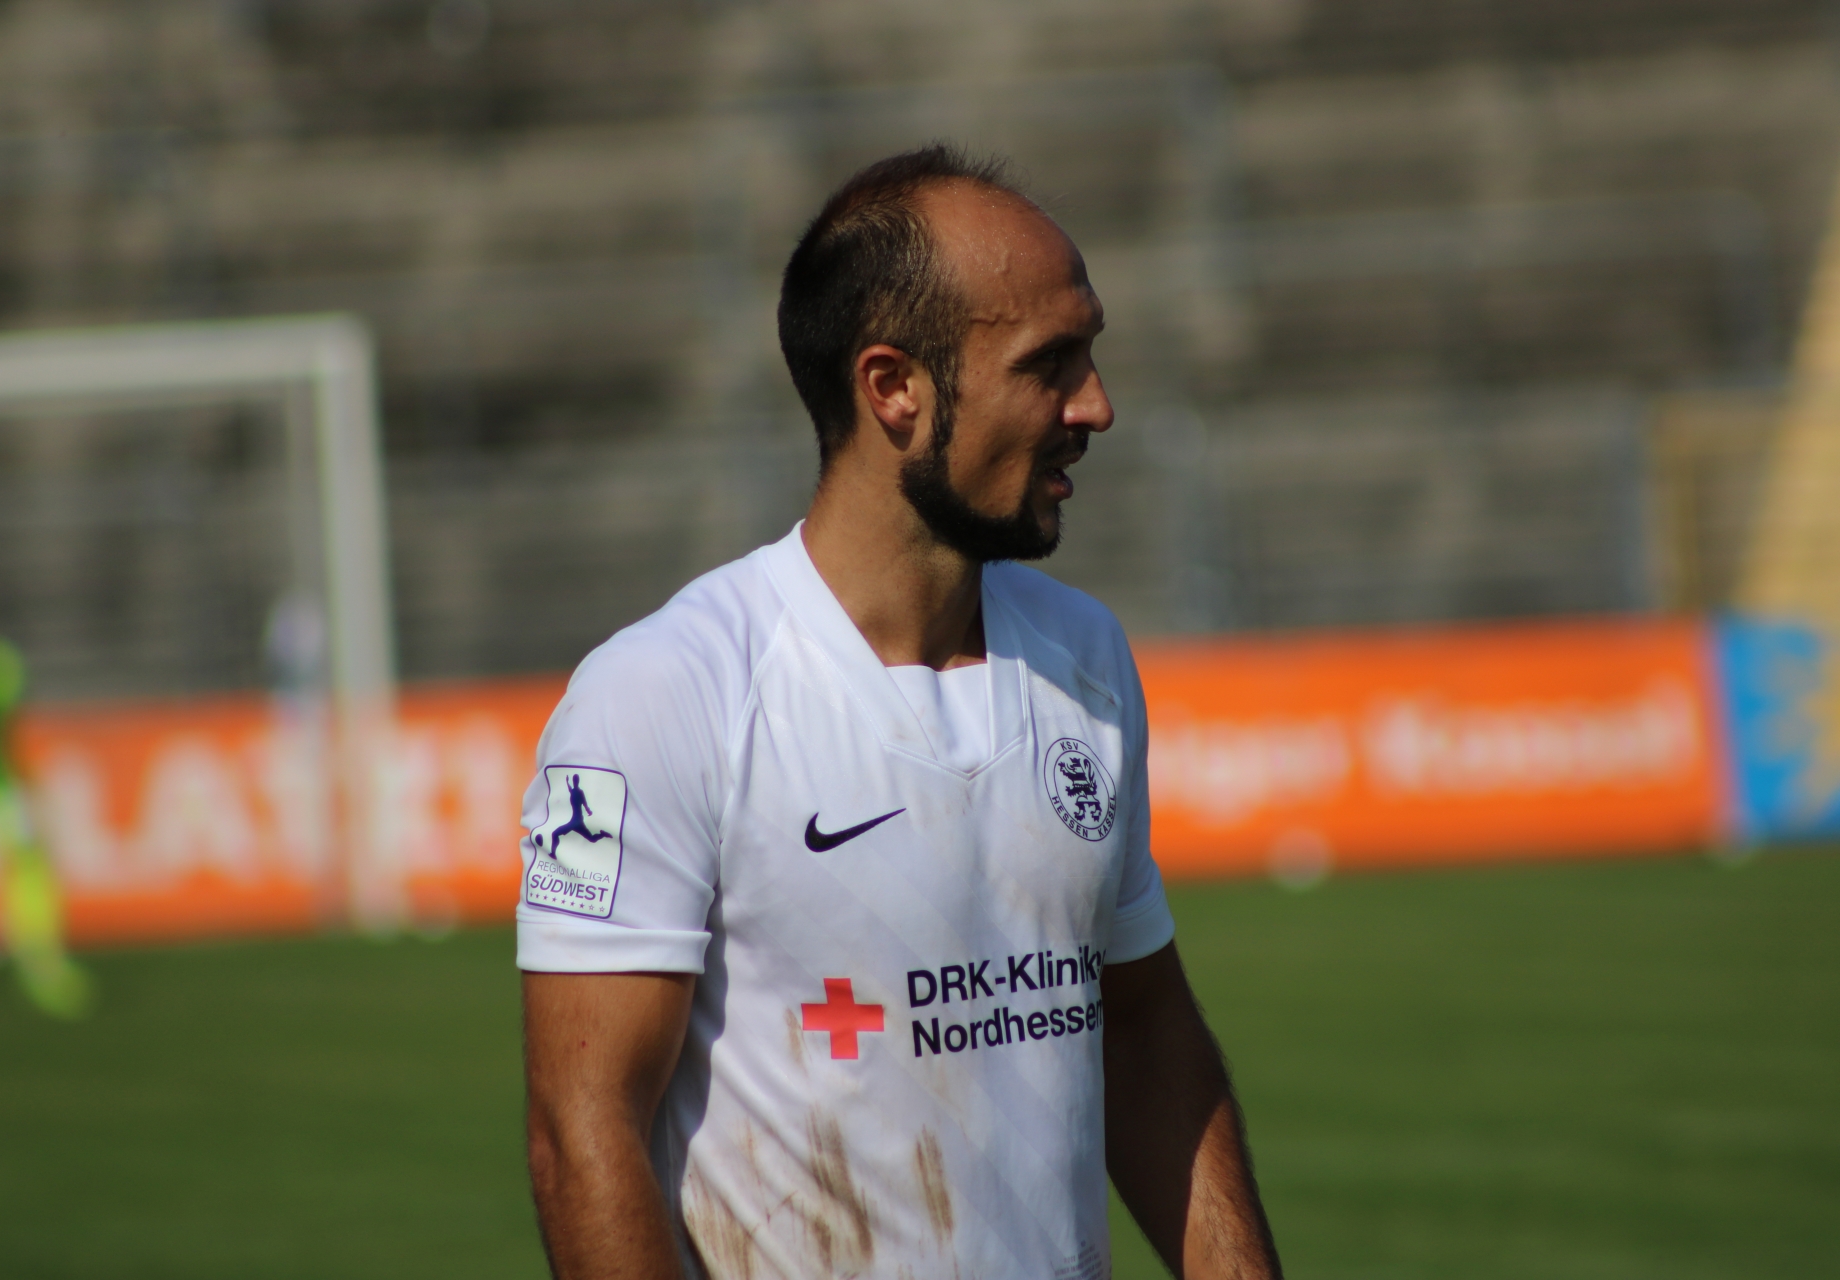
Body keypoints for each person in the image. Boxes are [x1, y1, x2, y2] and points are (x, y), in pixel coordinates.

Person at [519, 146, 1282, 1280]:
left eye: (1090, 354)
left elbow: (1143, 1032)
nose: (1096, 405)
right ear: (894, 388)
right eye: (1048, 364)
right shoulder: (666, 691)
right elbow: (585, 1133)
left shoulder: (1083, 656)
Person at [0, 619, 92, 1018]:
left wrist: (28, 781)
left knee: (28, 859)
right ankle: (9, 937)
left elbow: (6, 726)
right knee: (17, 859)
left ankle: (37, 955)